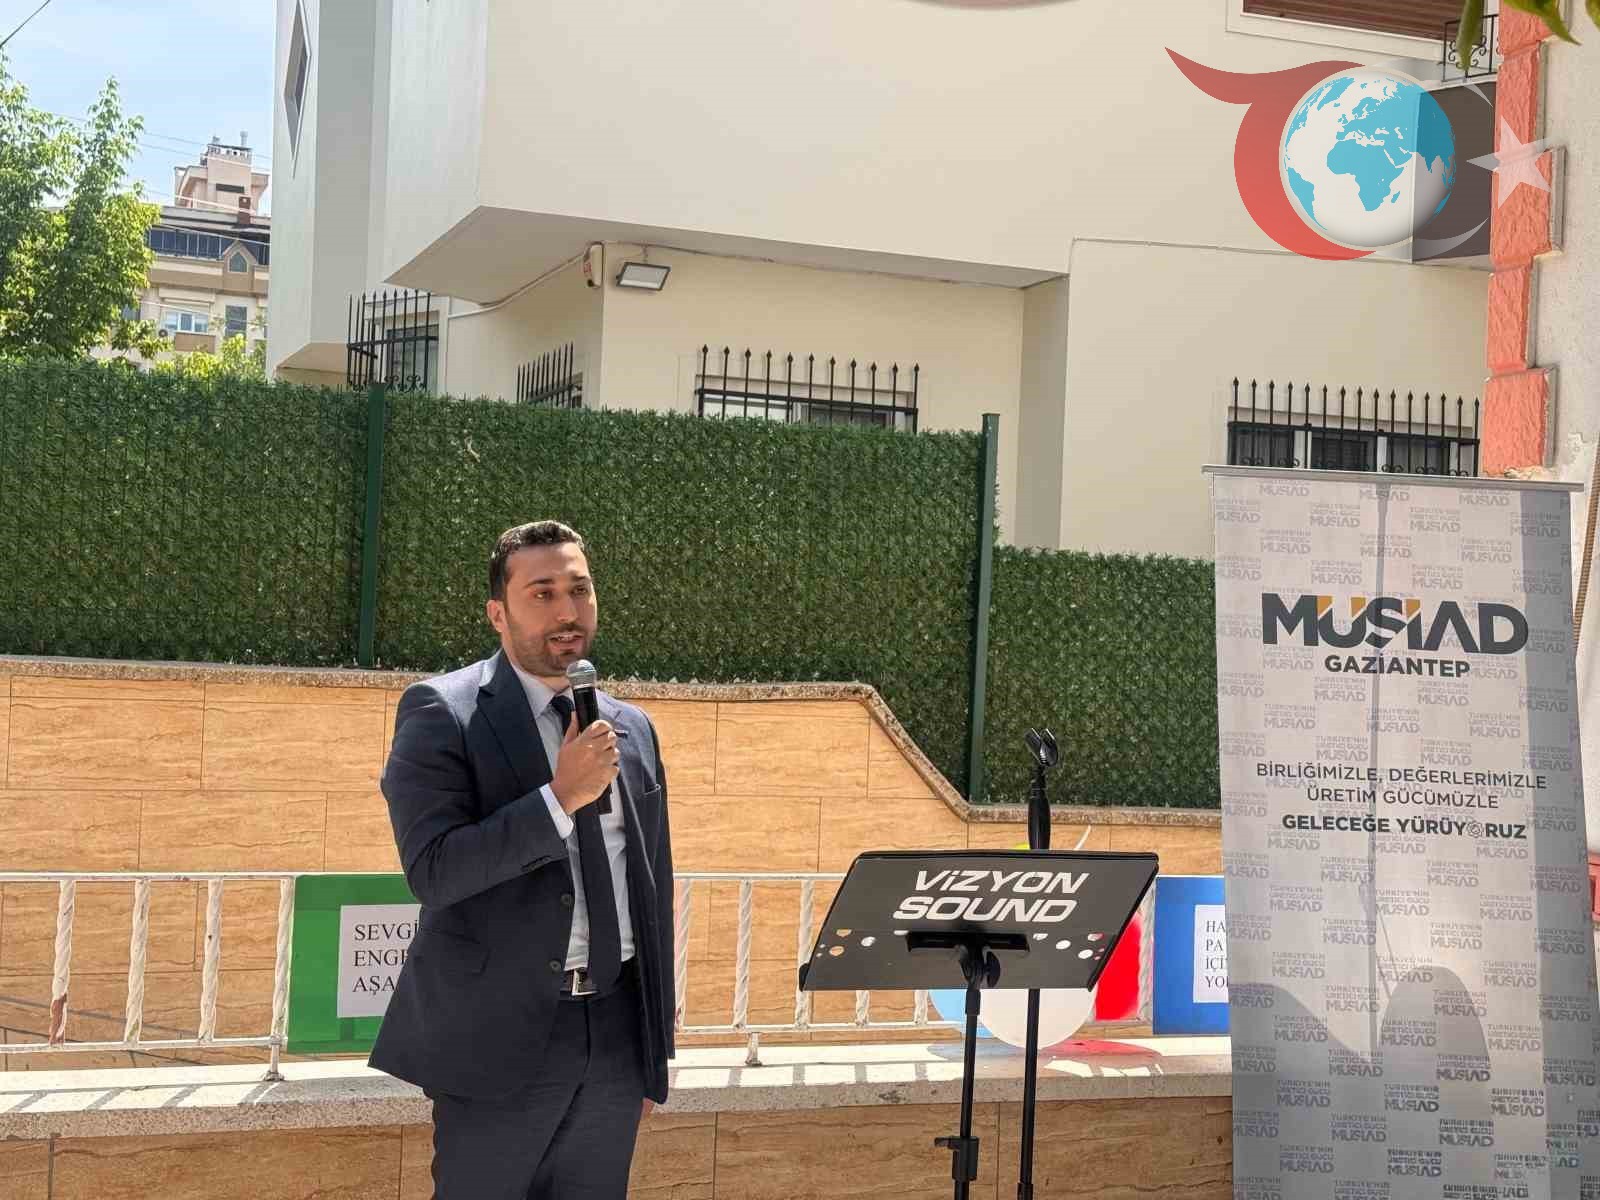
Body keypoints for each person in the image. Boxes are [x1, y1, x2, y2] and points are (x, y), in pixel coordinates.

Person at [371, 520, 675, 1199]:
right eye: (542, 593)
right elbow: (435, 870)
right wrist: (560, 798)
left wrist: (653, 1054)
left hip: (615, 1040)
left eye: (579, 590)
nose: (567, 611)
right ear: (498, 613)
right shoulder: (442, 712)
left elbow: (653, 889)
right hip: (496, 1043)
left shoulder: (632, 728)